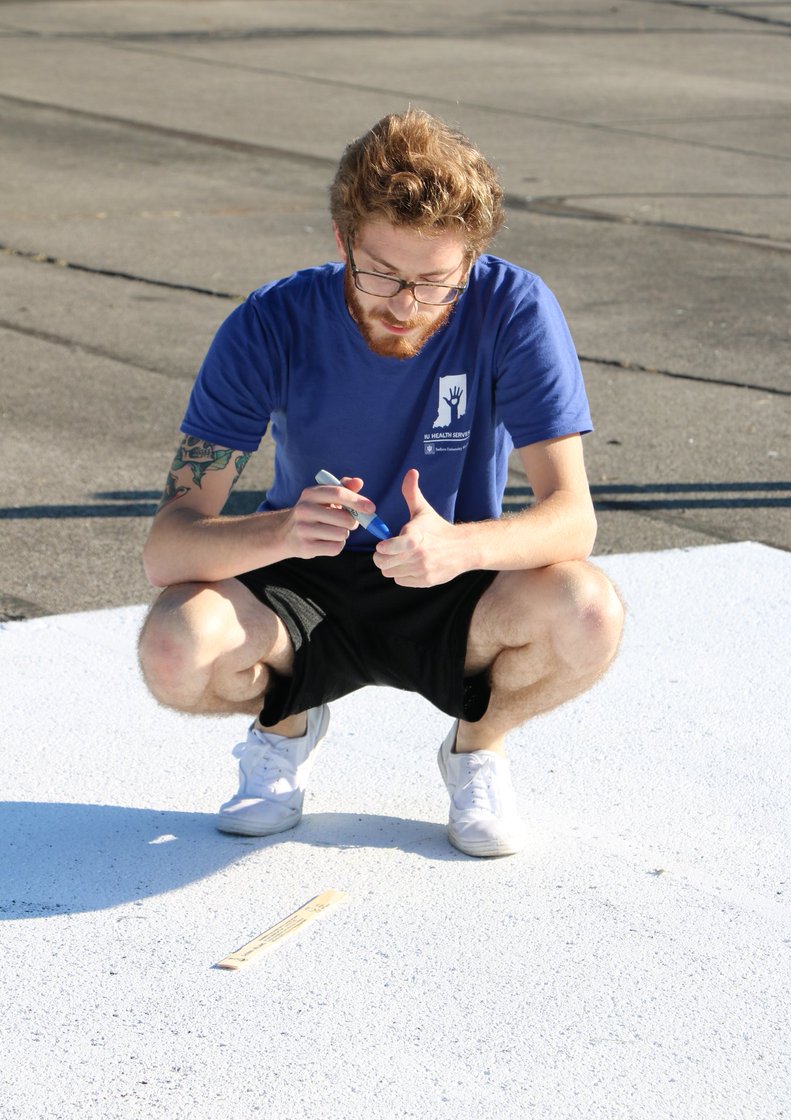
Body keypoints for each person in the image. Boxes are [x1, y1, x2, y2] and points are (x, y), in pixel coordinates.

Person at [138, 108, 624, 858]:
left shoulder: (514, 307)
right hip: (305, 577)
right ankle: (285, 725)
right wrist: (283, 530)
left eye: (436, 282)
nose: (405, 306)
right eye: (380, 274)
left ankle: (477, 750)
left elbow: (572, 520)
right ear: (342, 242)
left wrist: (458, 545)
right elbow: (166, 549)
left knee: (590, 612)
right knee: (174, 647)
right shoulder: (270, 322)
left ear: (471, 259)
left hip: (452, 577)